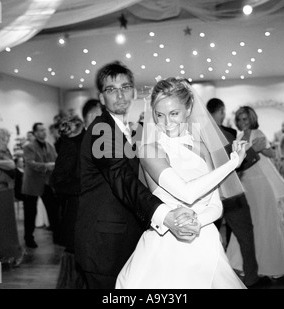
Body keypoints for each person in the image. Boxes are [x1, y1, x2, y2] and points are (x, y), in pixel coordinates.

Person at [116, 78, 247, 289]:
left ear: (188, 109)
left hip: (204, 243)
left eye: (174, 113)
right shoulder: (150, 150)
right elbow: (187, 193)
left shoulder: (202, 148)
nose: (167, 123)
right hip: (166, 245)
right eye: (159, 115)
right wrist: (232, 163)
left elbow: (216, 205)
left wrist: (196, 221)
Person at [75, 61, 196, 289]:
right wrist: (164, 215)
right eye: (111, 89)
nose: (120, 94)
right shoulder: (101, 130)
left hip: (125, 236)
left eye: (125, 87)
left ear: (133, 91)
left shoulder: (131, 130)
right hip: (105, 245)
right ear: (101, 98)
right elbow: (120, 178)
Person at [226, 106, 284, 279]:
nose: (242, 122)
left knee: (264, 222)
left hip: (259, 185)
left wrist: (260, 149)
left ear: (251, 119)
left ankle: (270, 264)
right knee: (249, 225)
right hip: (245, 184)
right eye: (239, 119)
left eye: (245, 119)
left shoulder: (257, 133)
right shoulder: (238, 136)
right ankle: (248, 263)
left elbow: (270, 153)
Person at [206, 98, 266, 287]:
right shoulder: (224, 134)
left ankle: (211, 278)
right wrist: (253, 151)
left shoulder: (194, 133)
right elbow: (236, 163)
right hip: (230, 194)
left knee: (209, 240)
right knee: (245, 235)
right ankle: (251, 277)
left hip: (206, 196)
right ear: (222, 111)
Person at [51, 115, 86, 289]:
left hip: (82, 208)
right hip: (75, 209)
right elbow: (57, 181)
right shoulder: (70, 146)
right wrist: (86, 186)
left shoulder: (84, 142)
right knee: (74, 255)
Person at [0, 128, 24, 267]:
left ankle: (14, 253)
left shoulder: (2, 151)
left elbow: (11, 164)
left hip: (2, 191)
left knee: (3, 224)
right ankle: (3, 253)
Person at [22, 122, 58, 248]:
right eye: (41, 130)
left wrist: (54, 165)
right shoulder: (29, 147)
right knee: (30, 213)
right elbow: (30, 163)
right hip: (32, 183)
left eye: (44, 129)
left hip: (47, 183)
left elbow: (56, 159)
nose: (44, 132)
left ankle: (57, 235)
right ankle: (28, 238)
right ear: (35, 133)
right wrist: (47, 166)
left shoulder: (49, 145)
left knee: (53, 209)